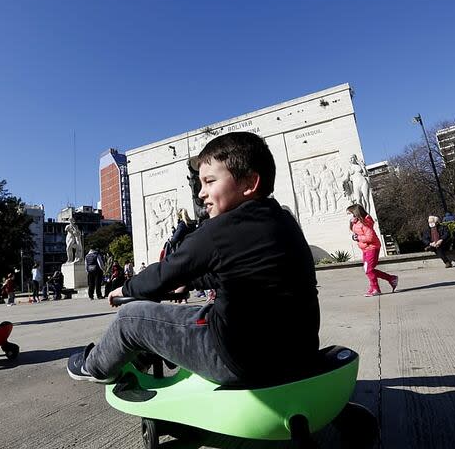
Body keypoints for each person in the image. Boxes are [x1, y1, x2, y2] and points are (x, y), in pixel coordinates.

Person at [67, 131, 321, 388]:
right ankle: (145, 353)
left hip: (238, 359)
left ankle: (94, 366)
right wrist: (189, 284)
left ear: (249, 183)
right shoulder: (283, 220)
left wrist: (126, 287)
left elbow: (165, 272)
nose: (201, 193)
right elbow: (240, 270)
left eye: (210, 181)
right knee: (200, 312)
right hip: (298, 353)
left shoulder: (219, 230)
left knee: (130, 317)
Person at [347, 204, 398, 297]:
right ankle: (390, 279)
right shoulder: (357, 223)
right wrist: (354, 234)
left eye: (351, 214)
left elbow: (370, 237)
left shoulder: (365, 223)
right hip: (365, 249)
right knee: (368, 270)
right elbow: (354, 231)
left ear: (356, 214)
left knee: (369, 270)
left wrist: (358, 237)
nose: (350, 217)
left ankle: (376, 288)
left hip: (372, 247)